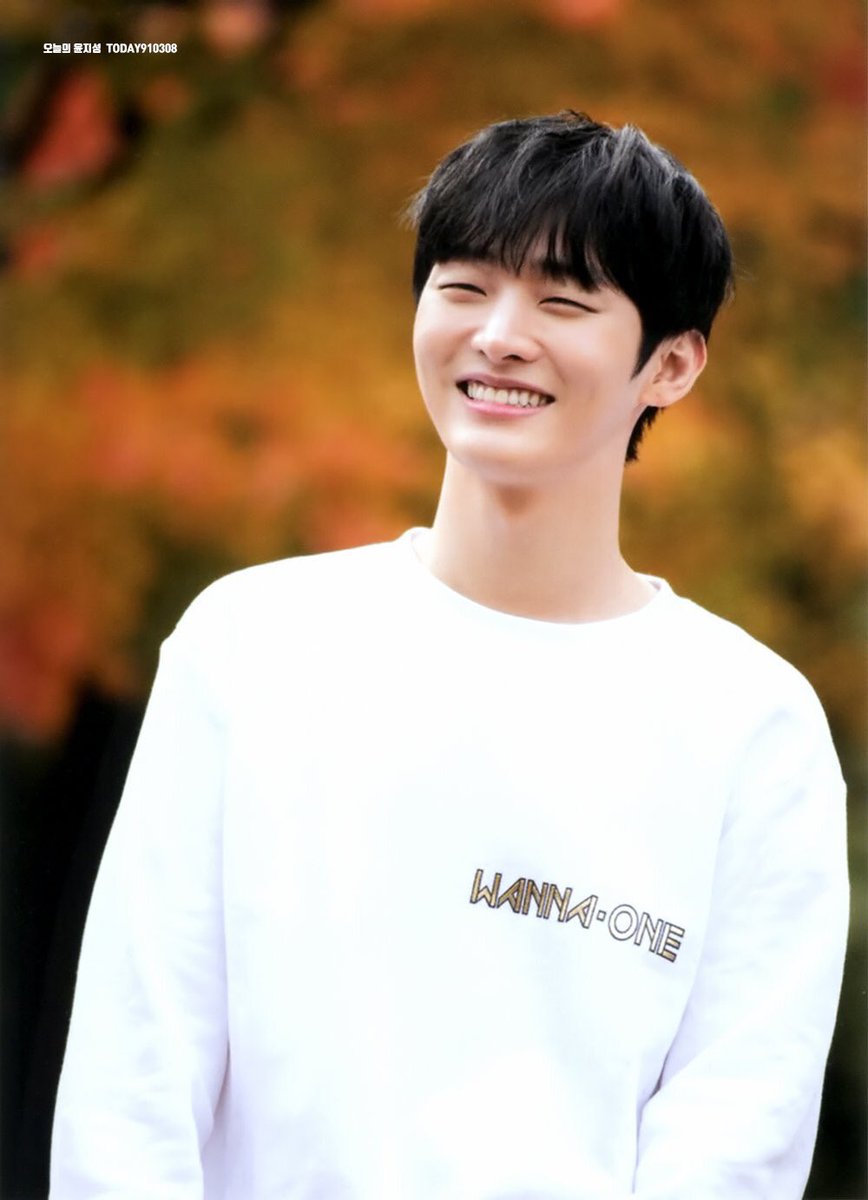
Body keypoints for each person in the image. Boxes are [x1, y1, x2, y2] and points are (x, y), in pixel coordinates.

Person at [50, 112, 848, 1199]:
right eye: (463, 287)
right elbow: (132, 1077)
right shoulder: (252, 645)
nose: (499, 336)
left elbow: (734, 1134)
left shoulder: (750, 723)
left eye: (563, 302)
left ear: (670, 363)